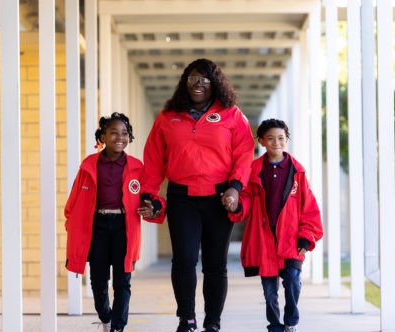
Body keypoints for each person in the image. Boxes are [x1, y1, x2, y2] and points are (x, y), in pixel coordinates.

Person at [139, 58, 255, 332]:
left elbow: (244, 153)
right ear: (184, 81)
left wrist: (235, 187)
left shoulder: (231, 114)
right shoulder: (168, 117)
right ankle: (187, 319)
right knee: (185, 259)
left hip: (219, 198)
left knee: (215, 264)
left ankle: (212, 322)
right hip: (183, 199)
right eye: (193, 78)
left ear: (215, 83)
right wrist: (149, 195)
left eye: (205, 79)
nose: (198, 84)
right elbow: (154, 159)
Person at [64, 112, 165, 332]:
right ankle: (106, 318)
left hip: (124, 227)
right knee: (98, 281)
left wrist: (154, 206)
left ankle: (118, 326)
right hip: (97, 226)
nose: (120, 137)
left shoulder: (137, 167)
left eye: (125, 133)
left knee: (122, 281)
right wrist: (71, 223)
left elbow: (150, 194)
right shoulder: (88, 165)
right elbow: (74, 199)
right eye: (113, 133)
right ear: (102, 136)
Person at [228, 119, 323, 332]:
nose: (276, 143)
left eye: (280, 138)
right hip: (264, 238)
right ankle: (274, 325)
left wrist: (306, 237)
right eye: (270, 138)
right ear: (261, 141)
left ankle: (291, 321)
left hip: (290, 238)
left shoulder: (297, 172)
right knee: (269, 290)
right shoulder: (253, 171)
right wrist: (235, 206)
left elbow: (309, 208)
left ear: (287, 140)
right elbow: (245, 200)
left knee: (292, 282)